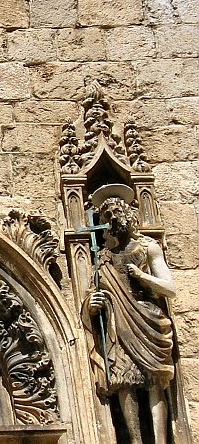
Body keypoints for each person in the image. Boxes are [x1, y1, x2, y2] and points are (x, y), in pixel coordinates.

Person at [81, 185, 175, 444]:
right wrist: (92, 305)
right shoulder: (103, 258)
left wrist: (142, 276)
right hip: (119, 324)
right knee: (124, 379)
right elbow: (93, 293)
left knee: (155, 379)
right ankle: (134, 440)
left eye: (117, 212)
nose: (113, 218)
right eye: (107, 215)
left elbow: (170, 288)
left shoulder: (148, 247)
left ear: (128, 214)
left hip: (148, 319)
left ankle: (160, 439)